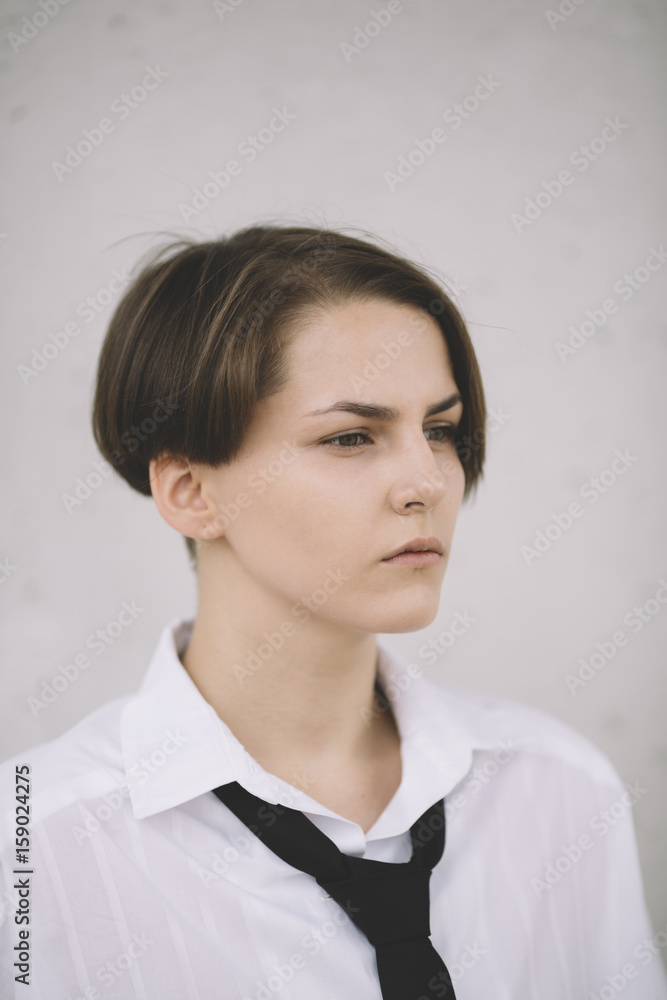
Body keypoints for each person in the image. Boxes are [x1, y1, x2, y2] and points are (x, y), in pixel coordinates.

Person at [1, 224, 665, 999]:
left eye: (440, 430)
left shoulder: (558, 789)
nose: (426, 482)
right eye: (351, 437)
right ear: (190, 491)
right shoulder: (34, 847)